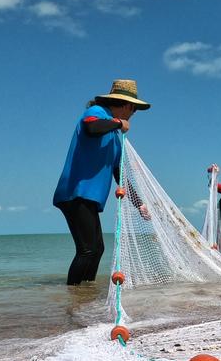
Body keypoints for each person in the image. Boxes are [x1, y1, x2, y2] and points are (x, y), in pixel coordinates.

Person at [53, 79, 150, 286]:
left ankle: (84, 296)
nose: (133, 115)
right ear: (126, 105)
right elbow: (92, 128)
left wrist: (139, 203)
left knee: (97, 250)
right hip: (75, 192)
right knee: (87, 250)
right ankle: (73, 294)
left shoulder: (115, 138)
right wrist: (117, 123)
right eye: (134, 110)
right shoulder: (97, 112)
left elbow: (119, 173)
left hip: (89, 197)